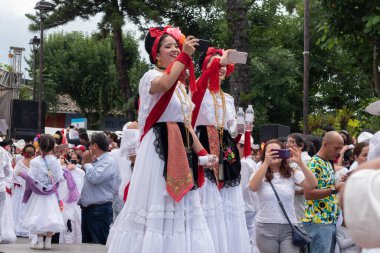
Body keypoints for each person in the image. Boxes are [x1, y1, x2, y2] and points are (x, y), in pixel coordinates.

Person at [107, 26, 217, 253]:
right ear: (155, 55)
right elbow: (163, 85)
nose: (175, 50)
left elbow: (186, 125)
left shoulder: (181, 86)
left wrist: (203, 154)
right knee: (158, 204)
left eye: (176, 46)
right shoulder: (152, 76)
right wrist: (185, 56)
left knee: (181, 209)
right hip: (158, 149)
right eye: (168, 47)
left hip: (180, 148)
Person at [249, 139, 317, 253]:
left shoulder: (291, 173)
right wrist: (266, 163)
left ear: (284, 153)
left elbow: (312, 184)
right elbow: (253, 187)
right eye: (271, 151)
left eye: (278, 151)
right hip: (266, 227)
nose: (275, 154)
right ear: (264, 154)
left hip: (289, 228)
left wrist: (300, 163)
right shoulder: (259, 170)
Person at [20, 134, 66, 249]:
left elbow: (31, 178)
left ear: (39, 146)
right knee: (51, 216)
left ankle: (40, 242)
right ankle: (48, 243)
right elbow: (61, 178)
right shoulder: (55, 161)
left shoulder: (35, 161)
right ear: (52, 147)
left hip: (38, 195)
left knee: (38, 215)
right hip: (51, 194)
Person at [303, 131, 345, 253]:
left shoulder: (327, 162)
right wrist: (335, 188)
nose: (338, 152)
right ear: (325, 144)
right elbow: (308, 193)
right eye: (336, 148)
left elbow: (324, 187)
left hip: (328, 221)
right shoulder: (315, 163)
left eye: (340, 149)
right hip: (319, 221)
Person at [78, 132, 117, 245]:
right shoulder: (96, 161)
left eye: (90, 145)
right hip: (88, 210)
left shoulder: (108, 161)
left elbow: (95, 178)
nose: (88, 147)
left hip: (99, 211)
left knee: (98, 245)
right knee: (87, 246)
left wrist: (87, 163)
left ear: (95, 146)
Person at [237, 135, 259, 253]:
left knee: (247, 237)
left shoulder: (244, 163)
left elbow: (242, 187)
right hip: (250, 204)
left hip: (246, 204)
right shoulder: (249, 161)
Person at [12, 144, 36, 237]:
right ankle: (27, 227)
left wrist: (22, 183)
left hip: (22, 189)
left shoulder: (20, 162)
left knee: (19, 207)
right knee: (28, 207)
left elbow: (14, 175)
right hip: (31, 189)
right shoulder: (35, 163)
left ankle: (19, 227)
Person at [0, 137, 16, 244]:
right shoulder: (2, 152)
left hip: (1, 185)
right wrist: (5, 182)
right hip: (0, 186)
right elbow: (9, 171)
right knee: (0, 213)